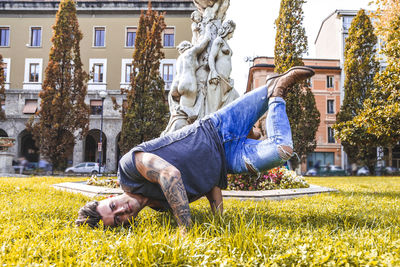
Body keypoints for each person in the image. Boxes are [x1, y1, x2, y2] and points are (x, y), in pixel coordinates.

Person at [76, 66, 315, 229]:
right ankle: (276, 94)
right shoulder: (161, 206)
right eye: (119, 220)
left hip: (217, 127)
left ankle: (275, 89)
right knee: (282, 151)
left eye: (114, 206)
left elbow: (170, 175)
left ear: (108, 197)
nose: (123, 210)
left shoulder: (129, 169)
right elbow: (207, 181)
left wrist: (184, 229)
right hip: (227, 159)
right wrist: (218, 218)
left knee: (268, 97)